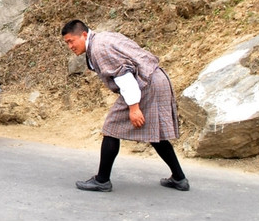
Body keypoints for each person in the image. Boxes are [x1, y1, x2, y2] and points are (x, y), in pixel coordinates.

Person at [61, 19, 189, 192]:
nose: (70, 46)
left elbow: (125, 77)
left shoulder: (99, 48)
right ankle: (179, 178)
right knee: (154, 131)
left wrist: (134, 108)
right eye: (67, 43)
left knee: (111, 128)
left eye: (71, 41)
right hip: (155, 78)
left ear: (84, 34)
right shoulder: (102, 39)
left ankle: (102, 180)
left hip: (145, 84)